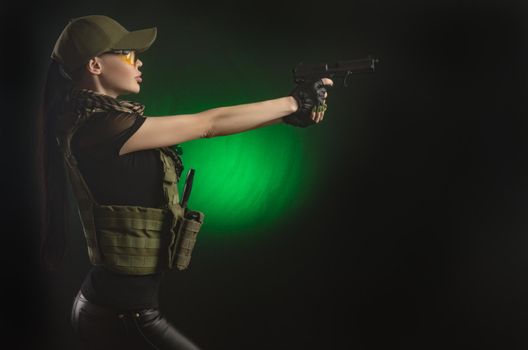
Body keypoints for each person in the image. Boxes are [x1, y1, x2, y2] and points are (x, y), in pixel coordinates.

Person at [36, 14, 332, 350]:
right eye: (128, 54)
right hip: (120, 315)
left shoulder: (95, 123)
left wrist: (288, 115)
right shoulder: (100, 129)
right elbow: (208, 124)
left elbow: (212, 124)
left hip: (115, 308)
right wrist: (293, 102)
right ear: (95, 65)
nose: (138, 61)